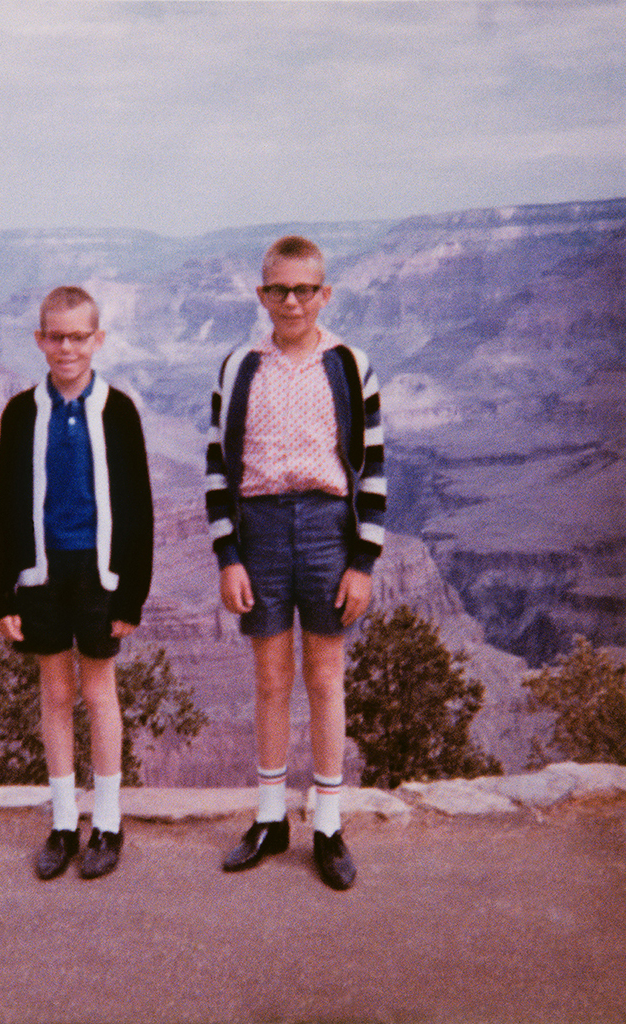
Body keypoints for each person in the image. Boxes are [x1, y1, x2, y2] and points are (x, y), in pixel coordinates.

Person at [205, 235, 385, 890]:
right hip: (261, 529)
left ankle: (330, 823)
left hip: (326, 529)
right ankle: (271, 815)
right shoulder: (238, 368)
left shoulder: (349, 366)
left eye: (304, 289)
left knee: (326, 676)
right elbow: (217, 469)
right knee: (272, 679)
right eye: (278, 289)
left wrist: (362, 560)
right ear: (261, 295)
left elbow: (373, 468)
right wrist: (229, 554)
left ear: (324, 294)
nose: (291, 301)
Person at [0, 285, 154, 881]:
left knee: (99, 692)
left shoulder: (119, 411)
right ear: (39, 340)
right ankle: (63, 822)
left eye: (79, 336)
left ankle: (107, 821)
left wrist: (132, 590)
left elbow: (138, 506)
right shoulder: (21, 413)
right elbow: (7, 506)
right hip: (42, 573)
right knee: (55, 695)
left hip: (99, 574)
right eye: (55, 336)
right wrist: (1, 591)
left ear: (98, 340)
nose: (66, 347)